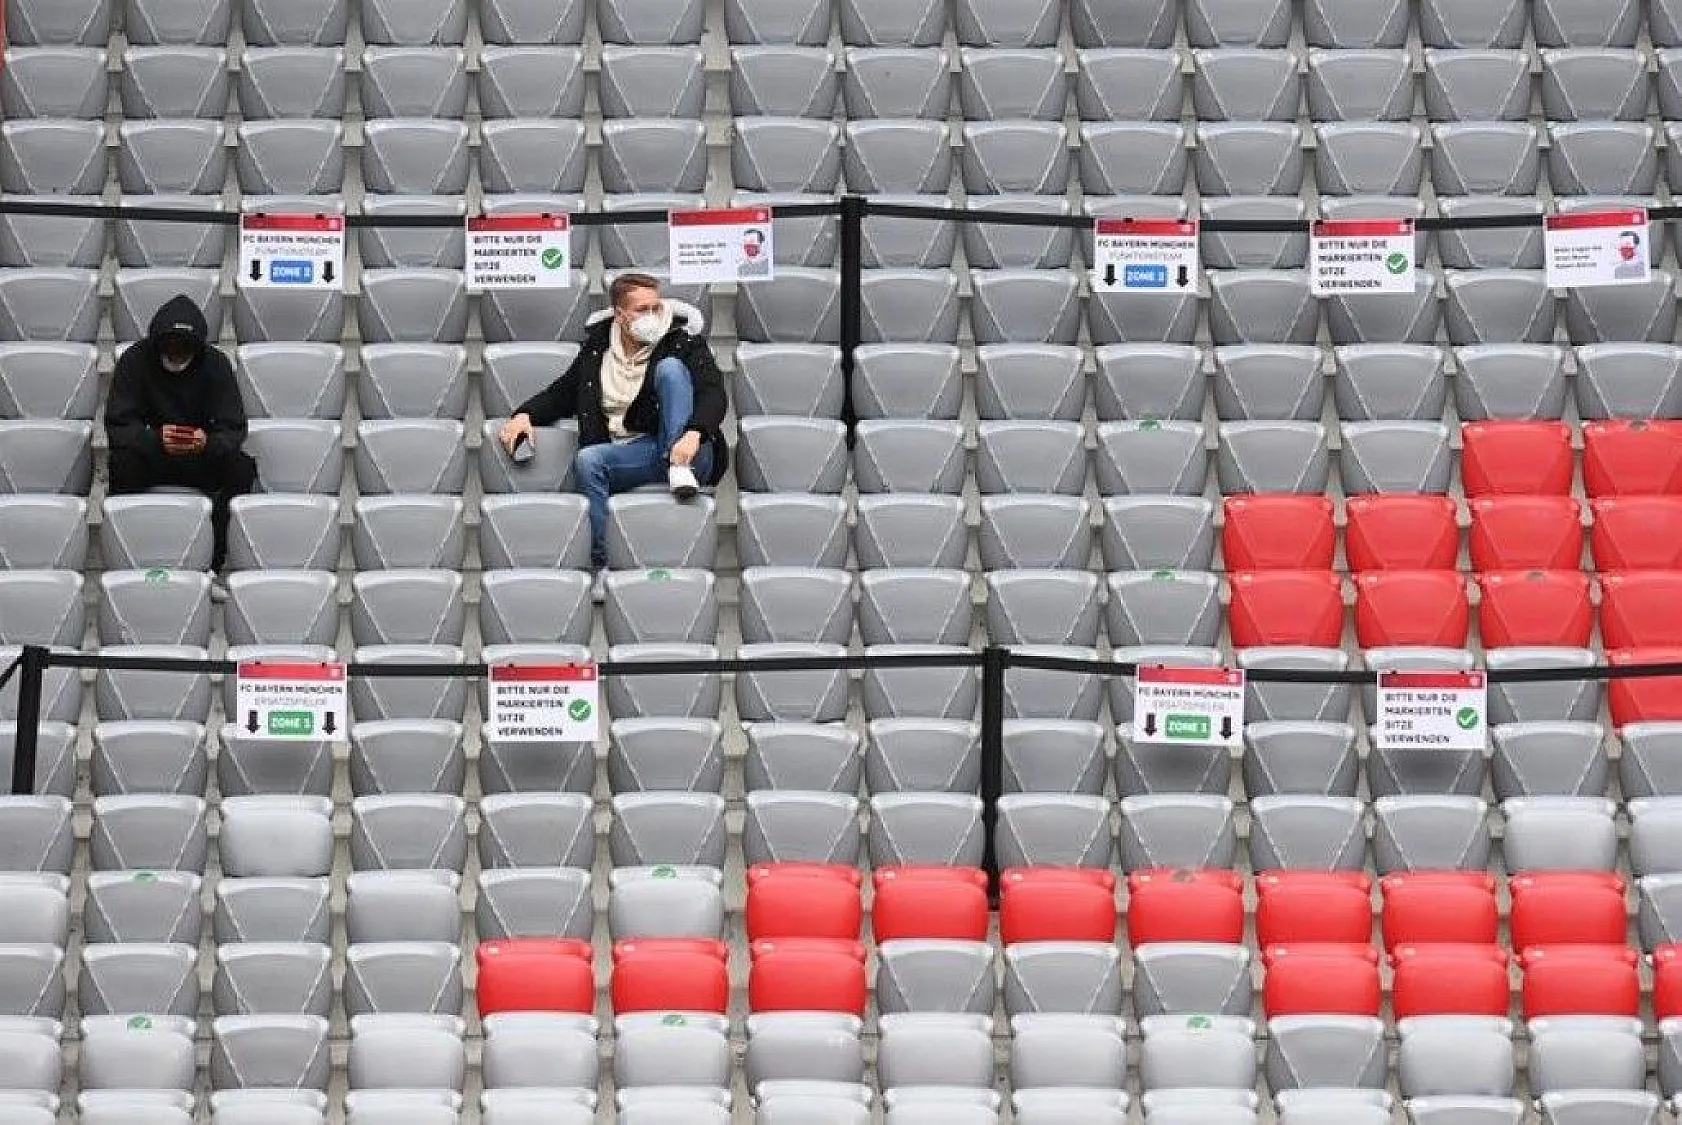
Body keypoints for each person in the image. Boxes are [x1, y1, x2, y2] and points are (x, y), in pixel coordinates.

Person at [499, 273, 729, 592]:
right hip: (638, 452)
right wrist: (523, 414)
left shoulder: (682, 341)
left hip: (691, 451)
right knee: (588, 459)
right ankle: (599, 563)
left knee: (671, 370)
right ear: (620, 315)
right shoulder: (598, 349)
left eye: (655, 307)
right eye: (641, 310)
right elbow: (562, 393)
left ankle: (678, 467)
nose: (651, 316)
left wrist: (693, 434)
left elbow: (713, 394)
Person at [105, 294, 258, 598]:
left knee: (240, 467)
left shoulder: (215, 364)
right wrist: (153, 438)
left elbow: (234, 426)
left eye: (184, 346)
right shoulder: (135, 360)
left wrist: (207, 442)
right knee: (122, 464)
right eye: (170, 345)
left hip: (200, 456)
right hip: (151, 455)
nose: (176, 353)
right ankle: (130, 559)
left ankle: (212, 565)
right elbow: (118, 425)